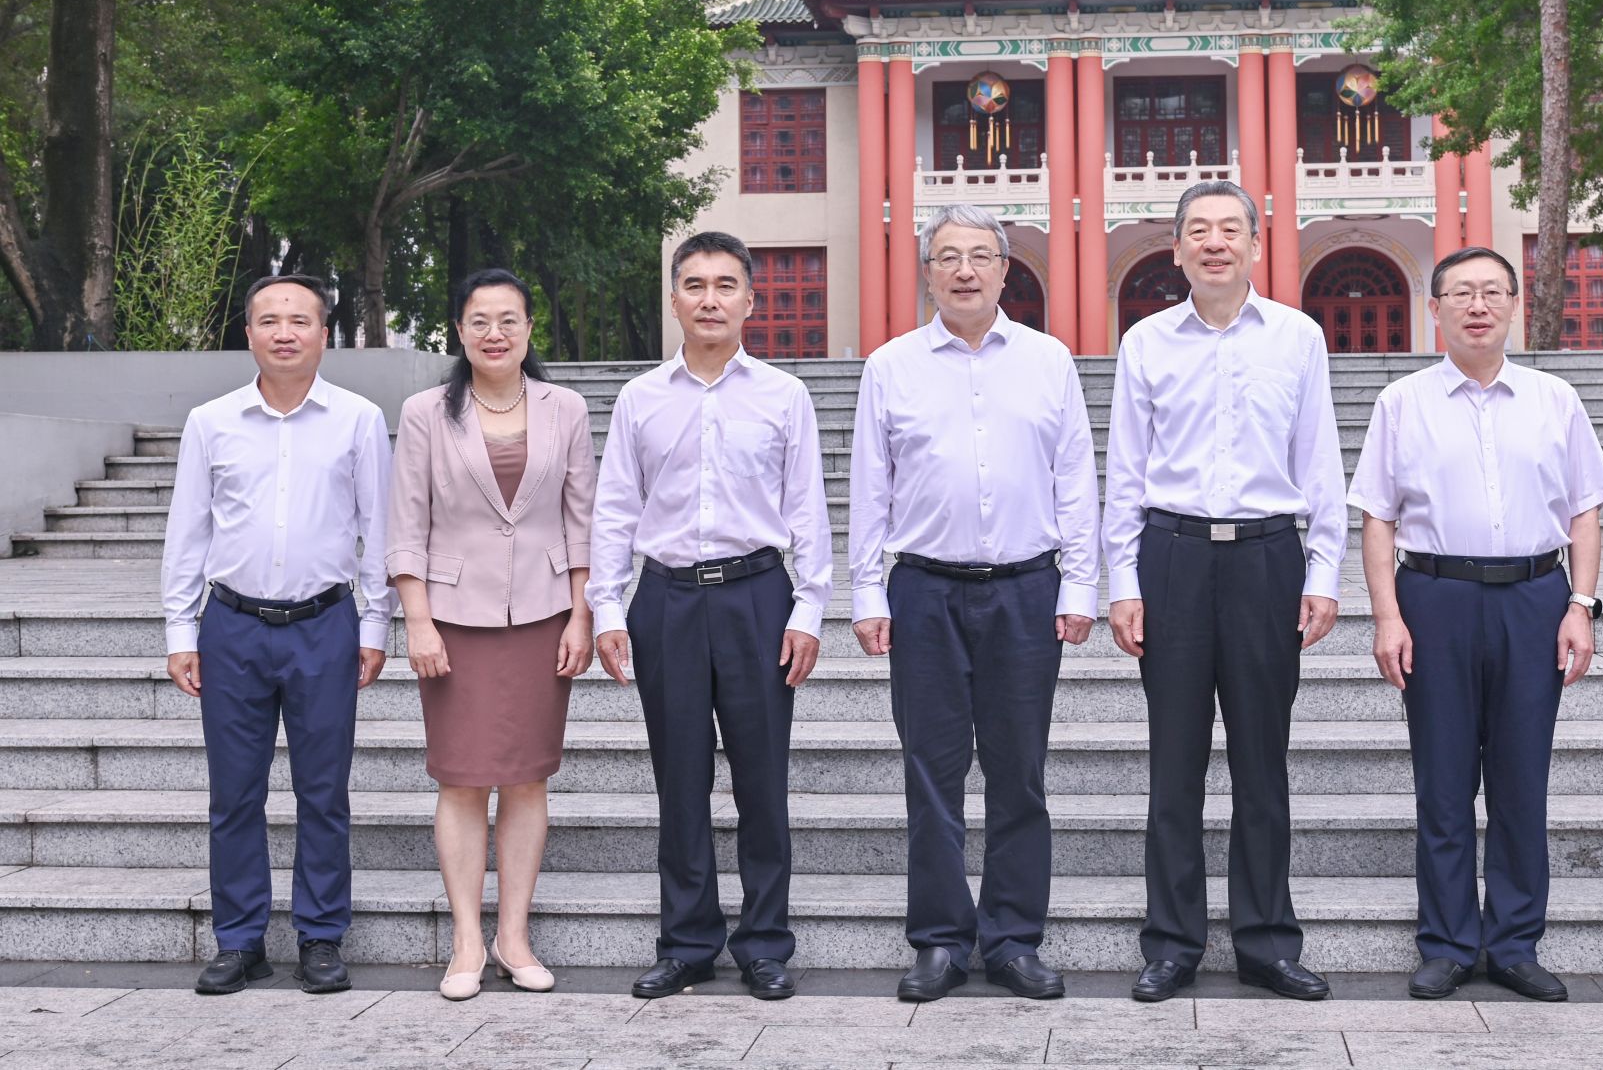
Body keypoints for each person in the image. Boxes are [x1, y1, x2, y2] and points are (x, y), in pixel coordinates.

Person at [1351, 245, 1603, 1004]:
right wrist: (1388, 616)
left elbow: (1585, 510)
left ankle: (1514, 943)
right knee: (1441, 782)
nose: (1478, 305)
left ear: (1513, 305)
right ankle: (1445, 943)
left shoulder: (1554, 398)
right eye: (1462, 293)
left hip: (1535, 598)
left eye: (1493, 292)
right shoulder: (1401, 402)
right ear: (1435, 307)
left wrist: (1580, 605)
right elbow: (1377, 518)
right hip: (1434, 597)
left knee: (1520, 780)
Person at [848, 205, 1100, 1003]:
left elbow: (1075, 476)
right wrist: (866, 589)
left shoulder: (1048, 360)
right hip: (924, 591)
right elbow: (870, 484)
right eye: (948, 256)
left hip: (1026, 589)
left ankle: (1014, 938)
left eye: (981, 256)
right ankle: (940, 939)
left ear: (1004, 269)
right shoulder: (891, 365)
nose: (965, 270)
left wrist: (1081, 582)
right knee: (932, 770)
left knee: (1019, 770)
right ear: (927, 271)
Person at [1103, 180, 1346, 1004]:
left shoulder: (1298, 337)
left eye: (1231, 229)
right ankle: (1172, 942)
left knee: (1261, 761)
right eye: (1199, 230)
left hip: (1266, 558)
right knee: (1173, 763)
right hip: (1171, 556)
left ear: (1255, 244)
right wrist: (1123, 580)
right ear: (1176, 249)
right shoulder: (1145, 342)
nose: (1215, 242)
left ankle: (1267, 942)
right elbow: (1125, 470)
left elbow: (1319, 461)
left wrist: (1323, 572)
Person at [589, 231, 831, 1002]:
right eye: (694, 285)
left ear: (750, 300)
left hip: (757, 596)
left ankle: (764, 942)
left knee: (762, 779)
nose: (710, 299)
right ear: (674, 300)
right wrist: (606, 604)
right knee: (680, 777)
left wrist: (810, 607)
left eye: (726, 285)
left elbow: (807, 508)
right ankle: (688, 941)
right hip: (665, 599)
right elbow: (615, 507)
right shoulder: (641, 398)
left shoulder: (783, 396)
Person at [161, 274, 391, 996]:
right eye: (269, 320)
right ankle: (239, 940)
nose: (284, 332)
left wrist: (376, 621)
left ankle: (321, 936)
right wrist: (181, 627)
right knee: (235, 793)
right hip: (232, 626)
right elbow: (188, 529)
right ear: (249, 332)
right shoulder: (211, 421)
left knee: (323, 790)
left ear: (324, 332)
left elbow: (378, 528)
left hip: (325, 625)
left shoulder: (357, 419)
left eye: (299, 319)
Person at [385, 269, 596, 1000]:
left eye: (509, 319)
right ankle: (466, 942)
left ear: (530, 328)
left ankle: (514, 935)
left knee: (528, 776)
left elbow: (582, 519)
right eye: (479, 320)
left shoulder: (566, 409)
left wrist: (582, 613)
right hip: (452, 618)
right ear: (460, 331)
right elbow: (406, 522)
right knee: (462, 778)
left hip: (543, 612)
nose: (495, 333)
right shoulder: (425, 412)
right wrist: (417, 620)